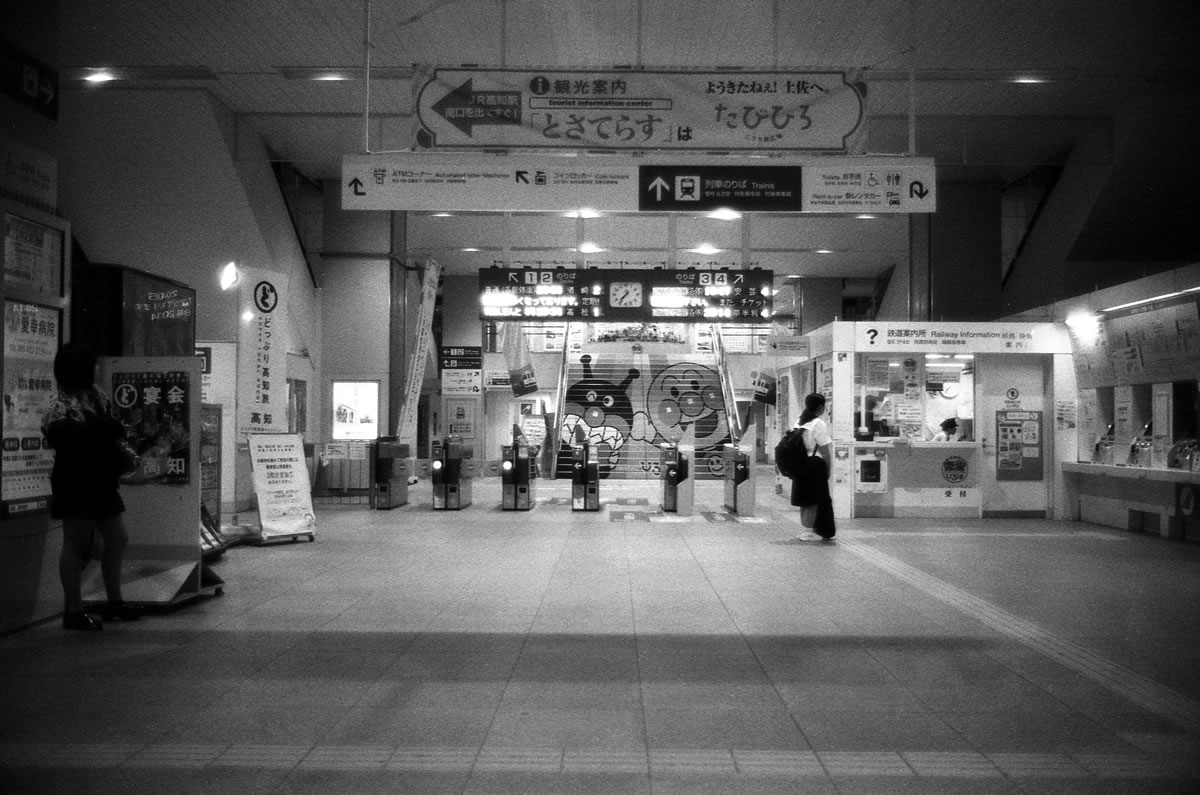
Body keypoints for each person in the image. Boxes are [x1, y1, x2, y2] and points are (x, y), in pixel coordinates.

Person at [42, 343, 141, 631]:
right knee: (77, 541)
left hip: (98, 478)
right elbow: (68, 438)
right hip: (75, 479)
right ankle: (74, 610)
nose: (97, 368)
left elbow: (103, 432)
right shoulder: (58, 402)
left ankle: (114, 602)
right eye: (93, 364)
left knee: (117, 538)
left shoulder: (96, 396)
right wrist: (105, 430)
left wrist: (103, 432)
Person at [789, 392, 835, 541]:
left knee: (803, 499)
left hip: (799, 463)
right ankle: (808, 532)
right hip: (814, 464)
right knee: (813, 500)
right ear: (821, 407)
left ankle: (804, 529)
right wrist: (828, 469)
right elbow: (824, 450)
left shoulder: (799, 422)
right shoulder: (818, 424)